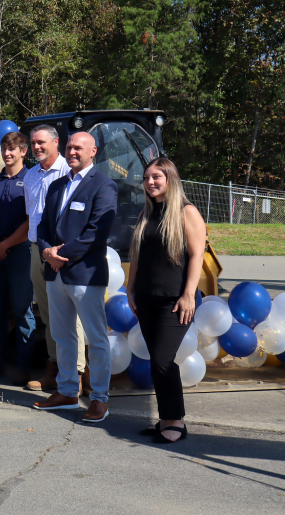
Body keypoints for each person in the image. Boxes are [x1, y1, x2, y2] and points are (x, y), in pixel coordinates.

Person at [33, 132, 118, 423]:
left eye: (78, 148)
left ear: (93, 151)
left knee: (95, 339)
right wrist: (46, 252)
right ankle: (68, 392)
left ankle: (98, 398)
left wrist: (61, 253)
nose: (72, 151)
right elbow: (42, 226)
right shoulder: (57, 185)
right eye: (69, 146)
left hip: (84, 274)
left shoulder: (104, 185)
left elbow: (97, 233)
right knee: (62, 335)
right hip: (54, 273)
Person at [128, 158, 205, 443]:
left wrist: (188, 295)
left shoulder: (187, 212)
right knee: (157, 361)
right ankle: (166, 419)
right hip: (146, 297)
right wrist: (129, 288)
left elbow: (197, 256)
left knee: (162, 361)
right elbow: (136, 255)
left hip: (174, 300)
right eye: (147, 177)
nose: (150, 182)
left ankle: (177, 422)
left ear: (170, 179)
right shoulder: (146, 213)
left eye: (156, 177)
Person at [23, 125, 86, 392]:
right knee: (49, 314)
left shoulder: (68, 173)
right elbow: (33, 219)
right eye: (34, 143)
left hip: (65, 252)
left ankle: (78, 373)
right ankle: (55, 366)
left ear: (56, 142)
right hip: (39, 249)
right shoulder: (30, 176)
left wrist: (60, 252)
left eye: (42, 142)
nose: (37, 147)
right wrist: (44, 250)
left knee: (73, 315)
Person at [0, 132, 36, 385]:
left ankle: (24, 366)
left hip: (20, 253)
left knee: (23, 310)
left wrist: (4, 245)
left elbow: (31, 221)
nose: (7, 153)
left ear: (24, 152)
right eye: (5, 148)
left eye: (13, 149)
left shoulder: (32, 179)